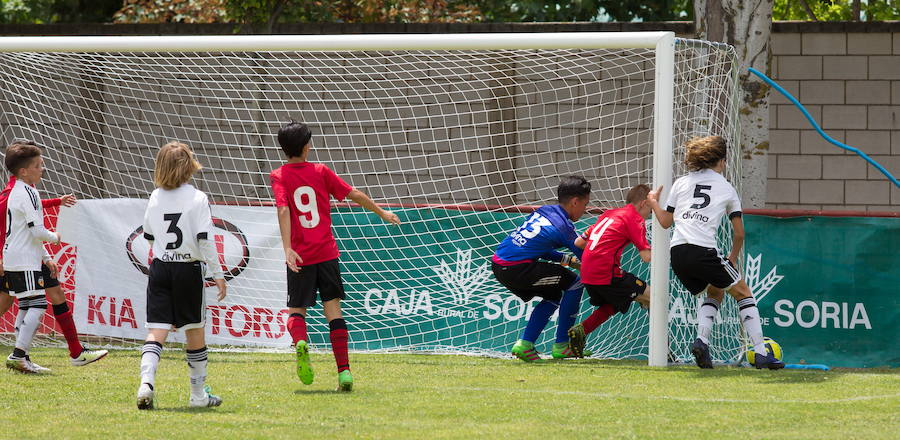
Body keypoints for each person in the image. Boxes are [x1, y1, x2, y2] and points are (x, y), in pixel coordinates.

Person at [270, 121, 400, 392]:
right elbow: (354, 194)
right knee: (334, 310)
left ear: (284, 149)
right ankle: (344, 373)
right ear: (306, 147)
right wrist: (382, 213)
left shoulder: (279, 175)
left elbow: (283, 210)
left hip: (300, 257)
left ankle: (301, 342)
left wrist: (287, 249)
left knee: (296, 311)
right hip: (327, 253)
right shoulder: (320, 171)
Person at [647, 135, 784, 370]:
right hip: (703, 250)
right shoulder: (727, 188)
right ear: (721, 161)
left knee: (716, 290)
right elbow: (739, 233)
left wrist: (652, 202)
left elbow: (665, 222)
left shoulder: (681, 183)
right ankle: (761, 353)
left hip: (678, 253)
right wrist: (731, 258)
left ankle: (702, 342)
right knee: (743, 292)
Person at [136, 141, 228, 410]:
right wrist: (218, 273)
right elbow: (205, 240)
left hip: (161, 268)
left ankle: (146, 384)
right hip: (188, 269)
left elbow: (149, 236)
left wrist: (167, 255)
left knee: (156, 331)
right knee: (195, 332)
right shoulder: (198, 198)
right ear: (189, 166)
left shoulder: (155, 196)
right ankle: (198, 396)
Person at [0, 140, 107, 368]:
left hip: (23, 256)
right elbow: (36, 231)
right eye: (38, 165)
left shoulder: (27, 191)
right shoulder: (19, 193)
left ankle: (28, 356)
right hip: (21, 259)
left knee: (30, 304)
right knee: (34, 305)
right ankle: (19, 355)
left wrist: (47, 257)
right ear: (23, 170)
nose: (43, 169)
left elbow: (29, 230)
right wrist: (56, 237)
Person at [491, 176, 590, 362]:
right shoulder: (564, 227)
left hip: (499, 264)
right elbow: (588, 258)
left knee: (553, 296)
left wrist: (568, 261)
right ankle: (562, 346)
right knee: (575, 283)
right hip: (517, 268)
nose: (585, 210)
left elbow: (540, 249)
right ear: (575, 202)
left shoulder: (544, 211)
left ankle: (525, 345)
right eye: (585, 205)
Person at [567, 184, 653, 358]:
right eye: (650, 210)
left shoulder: (608, 214)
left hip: (587, 272)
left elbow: (579, 243)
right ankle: (663, 352)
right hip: (606, 272)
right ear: (643, 203)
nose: (650, 215)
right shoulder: (635, 219)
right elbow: (646, 257)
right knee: (655, 298)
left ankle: (582, 329)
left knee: (614, 303)